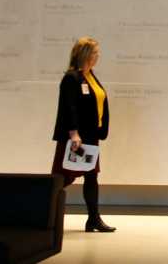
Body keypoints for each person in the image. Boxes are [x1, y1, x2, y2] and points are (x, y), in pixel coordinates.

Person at [52, 36, 116, 233]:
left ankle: (93, 219)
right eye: (95, 52)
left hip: (91, 136)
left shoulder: (91, 77)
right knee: (63, 177)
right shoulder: (72, 78)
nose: (98, 56)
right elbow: (68, 107)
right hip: (76, 138)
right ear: (86, 54)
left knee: (91, 176)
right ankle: (44, 212)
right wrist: (73, 134)